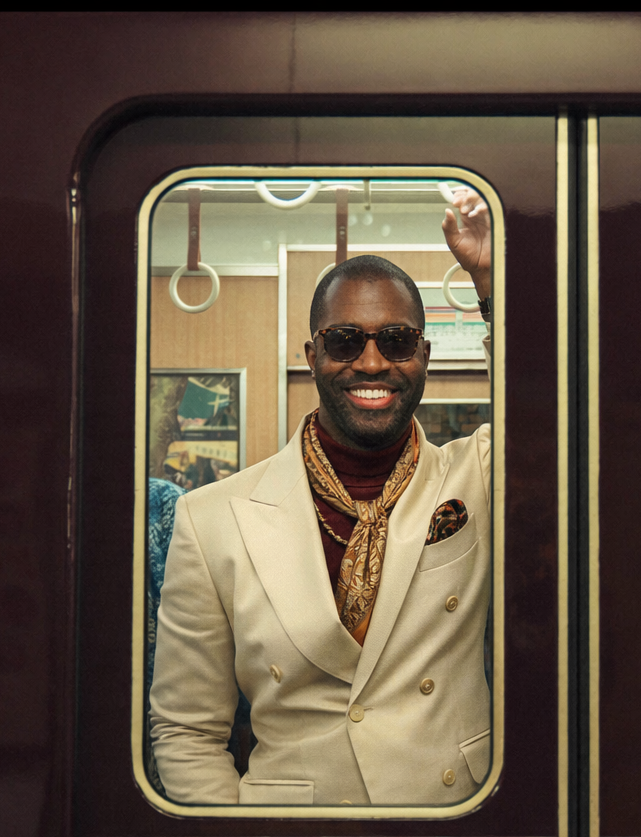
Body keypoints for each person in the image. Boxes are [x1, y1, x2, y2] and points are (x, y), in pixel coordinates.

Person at [148, 190, 495, 806]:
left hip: (455, 830)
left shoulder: (477, 478)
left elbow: (560, 418)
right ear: (312, 357)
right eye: (343, 342)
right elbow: (187, 731)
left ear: (424, 359)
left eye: (396, 341)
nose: (370, 363)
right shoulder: (212, 520)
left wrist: (494, 284)